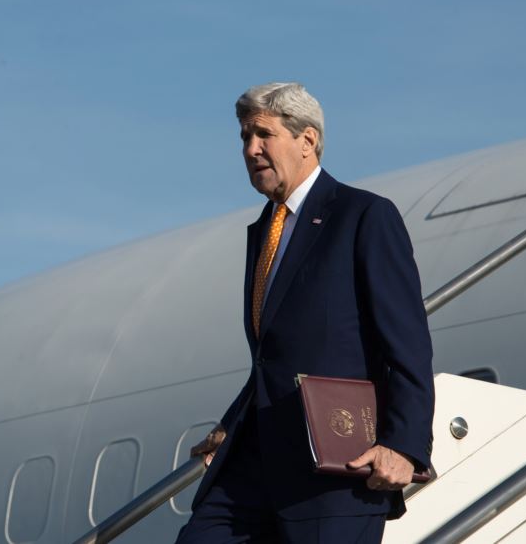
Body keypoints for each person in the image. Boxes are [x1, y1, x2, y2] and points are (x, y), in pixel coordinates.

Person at [175, 83, 434, 543]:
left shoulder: (363, 216)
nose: (250, 149)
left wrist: (405, 446)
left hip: (336, 469)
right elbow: (276, 354)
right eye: (243, 138)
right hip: (256, 460)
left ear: (307, 141)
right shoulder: (264, 232)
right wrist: (232, 422)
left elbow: (407, 344)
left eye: (262, 135)